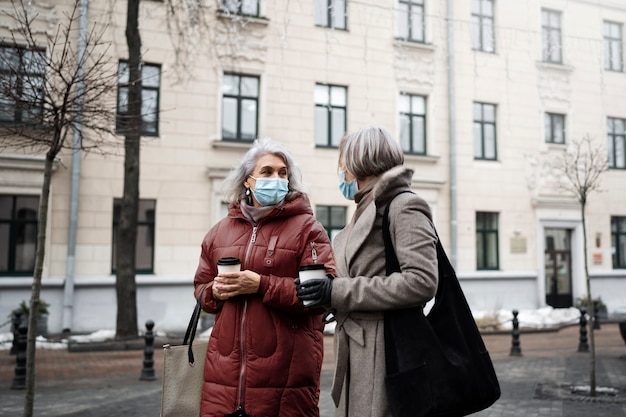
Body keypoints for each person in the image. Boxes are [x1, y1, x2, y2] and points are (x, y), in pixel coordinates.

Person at [296, 126, 439, 417]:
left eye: (342, 162)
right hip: (358, 349)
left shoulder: (403, 205)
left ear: (360, 160)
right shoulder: (365, 206)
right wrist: (328, 299)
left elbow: (422, 281)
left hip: (385, 350)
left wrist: (337, 291)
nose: (341, 171)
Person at [194, 138, 336, 417]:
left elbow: (321, 295)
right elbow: (201, 287)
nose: (277, 178)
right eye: (268, 172)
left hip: (286, 378)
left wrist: (261, 284)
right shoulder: (220, 231)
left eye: (283, 173)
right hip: (224, 377)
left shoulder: (309, 229)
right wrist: (214, 293)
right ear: (248, 181)